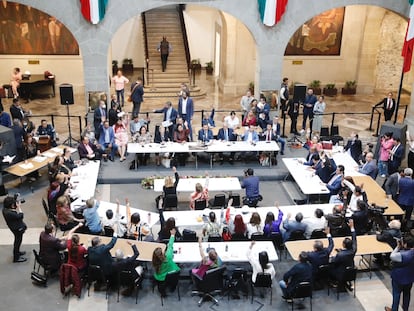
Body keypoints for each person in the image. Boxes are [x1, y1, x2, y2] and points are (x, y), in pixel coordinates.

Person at [384, 237, 414, 311]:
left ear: (406, 245)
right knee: (407, 294)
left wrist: (397, 247)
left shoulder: (402, 255)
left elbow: (392, 256)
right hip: (410, 277)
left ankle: (394, 309)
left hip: (398, 278)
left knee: (396, 294)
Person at [152, 228, 181, 296]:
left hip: (161, 278)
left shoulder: (155, 262)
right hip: (172, 274)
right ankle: (172, 287)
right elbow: (170, 245)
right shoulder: (168, 256)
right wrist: (172, 235)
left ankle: (162, 291)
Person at [329, 219, 357, 284]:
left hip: (341, 272)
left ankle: (333, 281)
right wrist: (352, 227)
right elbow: (354, 239)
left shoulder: (340, 254)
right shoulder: (354, 250)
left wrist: (331, 256)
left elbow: (334, 261)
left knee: (329, 267)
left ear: (344, 245)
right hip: (350, 270)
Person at [2, 195, 27, 263]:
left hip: (13, 226)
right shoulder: (9, 213)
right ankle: (16, 258)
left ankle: (17, 253)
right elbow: (21, 215)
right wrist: (19, 207)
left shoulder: (5, 210)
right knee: (17, 242)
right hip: (16, 228)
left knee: (17, 241)